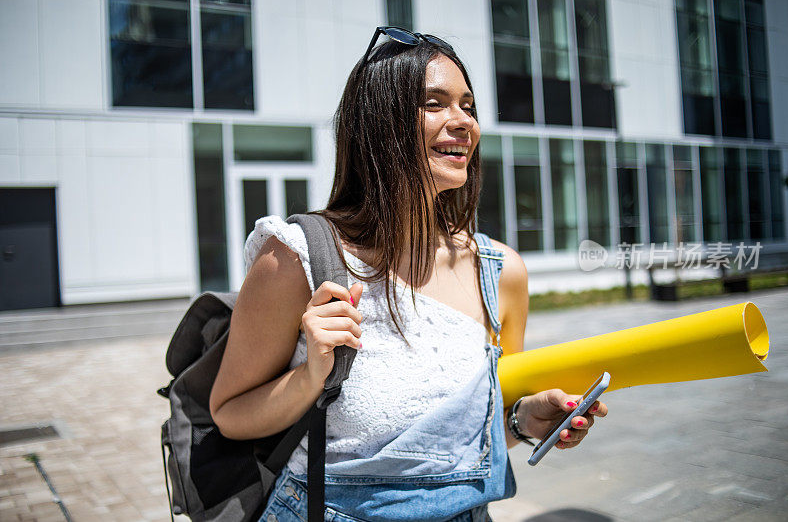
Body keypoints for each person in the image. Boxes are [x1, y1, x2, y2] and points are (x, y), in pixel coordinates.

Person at [209, 26, 608, 522]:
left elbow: (474, 431)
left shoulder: (501, 272)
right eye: (435, 103)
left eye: (468, 105)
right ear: (380, 123)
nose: (463, 121)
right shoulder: (297, 256)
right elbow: (229, 414)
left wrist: (526, 420)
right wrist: (311, 373)